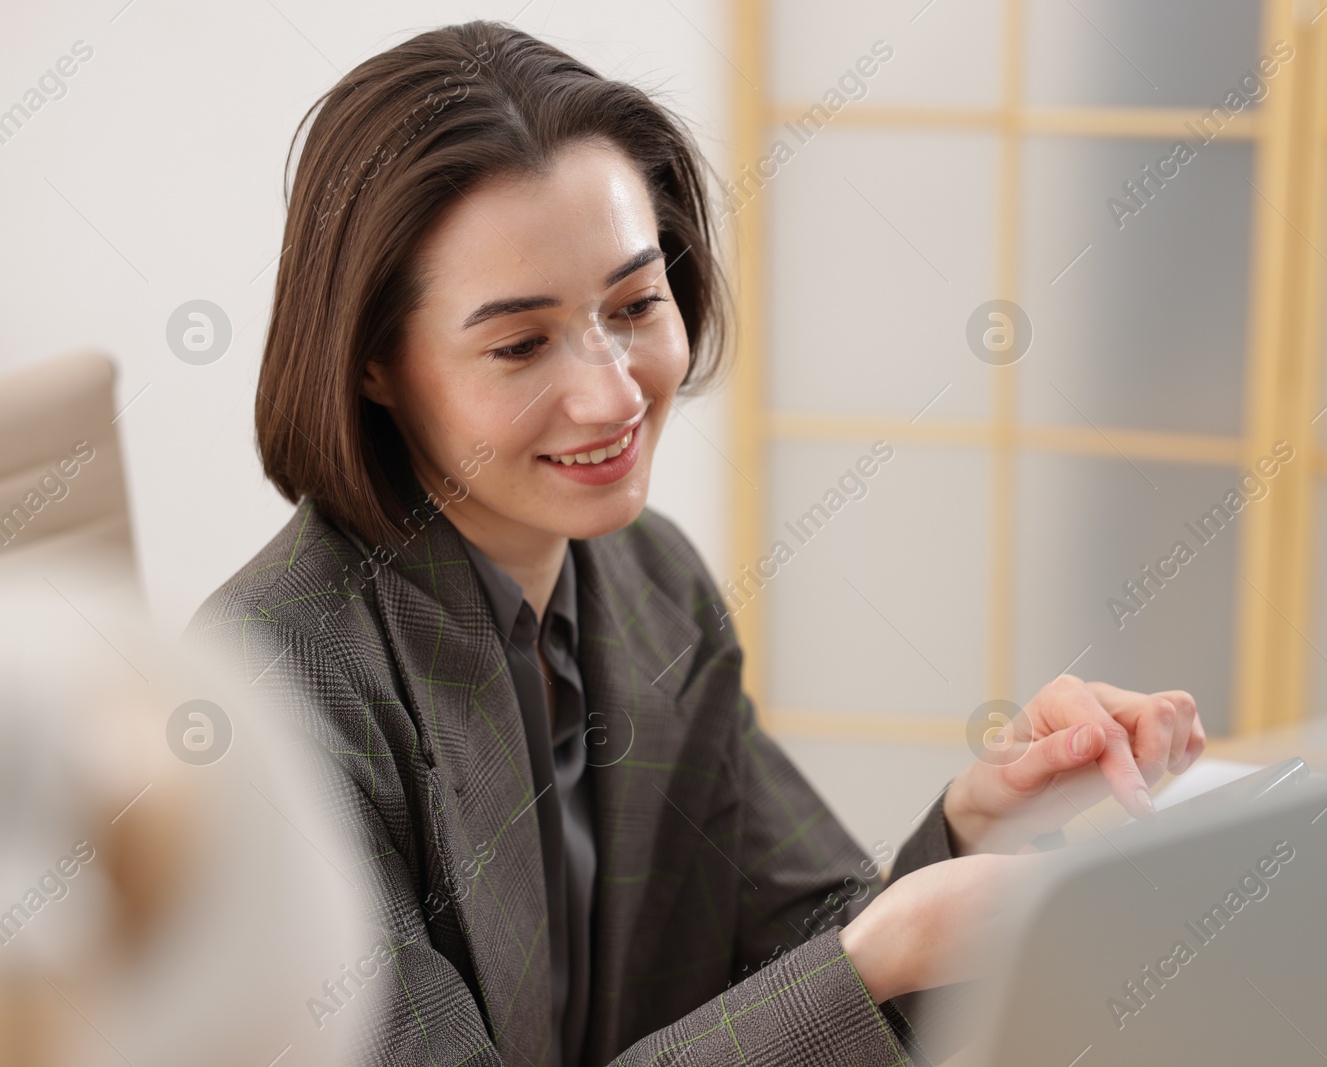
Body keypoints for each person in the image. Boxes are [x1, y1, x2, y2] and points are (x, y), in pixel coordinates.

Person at [187, 20, 1205, 1066]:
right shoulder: (269, 682)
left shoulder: (645, 579)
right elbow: (843, 969)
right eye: (520, 343)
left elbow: (806, 940)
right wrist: (873, 955)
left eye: (635, 304)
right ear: (371, 363)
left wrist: (981, 820)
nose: (613, 392)